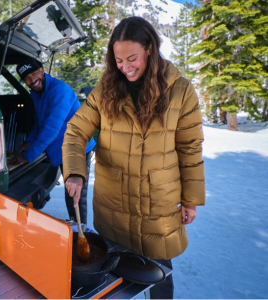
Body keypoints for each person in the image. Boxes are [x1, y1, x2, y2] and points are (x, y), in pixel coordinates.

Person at [62, 17, 205, 299]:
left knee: (158, 274)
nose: (125, 67)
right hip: (113, 202)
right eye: (118, 60)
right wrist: (75, 172)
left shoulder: (180, 90)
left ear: (149, 49)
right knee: (112, 278)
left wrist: (190, 198)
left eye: (132, 58)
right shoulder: (105, 90)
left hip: (157, 205)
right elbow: (75, 131)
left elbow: (190, 149)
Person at [14, 57, 96, 225]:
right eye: (27, 78)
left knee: (75, 195)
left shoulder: (59, 91)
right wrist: (29, 141)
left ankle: (81, 236)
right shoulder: (38, 93)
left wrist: (28, 156)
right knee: (70, 193)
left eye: (34, 74)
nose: (32, 80)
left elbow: (51, 129)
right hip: (61, 150)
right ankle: (75, 229)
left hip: (76, 149)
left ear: (42, 71)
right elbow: (40, 122)